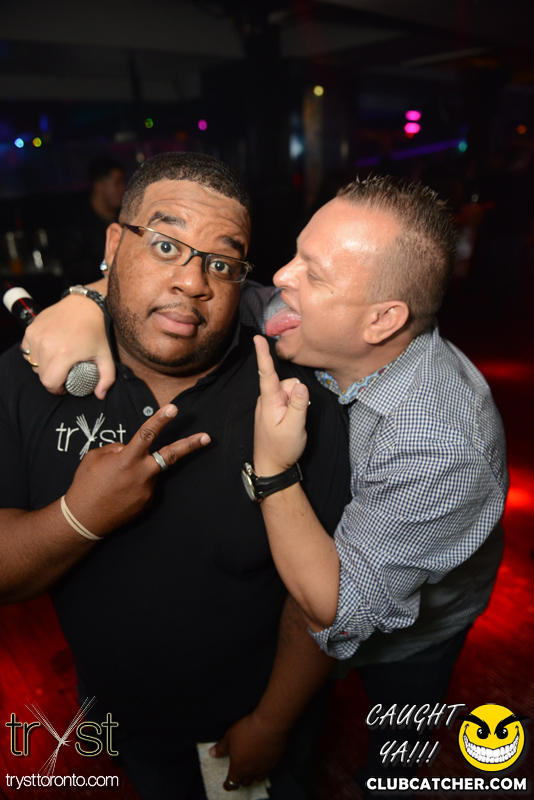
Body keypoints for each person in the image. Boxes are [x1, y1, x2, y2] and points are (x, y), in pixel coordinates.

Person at [25, 175, 508, 799]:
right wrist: (83, 301)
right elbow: (200, 295)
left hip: (412, 633)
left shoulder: (441, 443)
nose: (281, 276)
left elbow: (334, 608)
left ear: (382, 320)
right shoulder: (311, 315)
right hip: (313, 607)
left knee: (396, 755)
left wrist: (275, 469)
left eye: (314, 274)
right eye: (296, 255)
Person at [0, 153, 351, 800]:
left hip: (253, 716)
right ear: (114, 245)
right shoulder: (30, 375)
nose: (193, 282)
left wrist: (273, 722)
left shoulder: (296, 397)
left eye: (221, 263)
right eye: (165, 245)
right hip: (115, 716)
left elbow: (322, 598)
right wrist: (78, 518)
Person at [59, 157, 126, 286]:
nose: (123, 188)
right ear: (99, 186)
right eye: (118, 183)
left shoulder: (125, 217)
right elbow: (73, 269)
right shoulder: (76, 222)